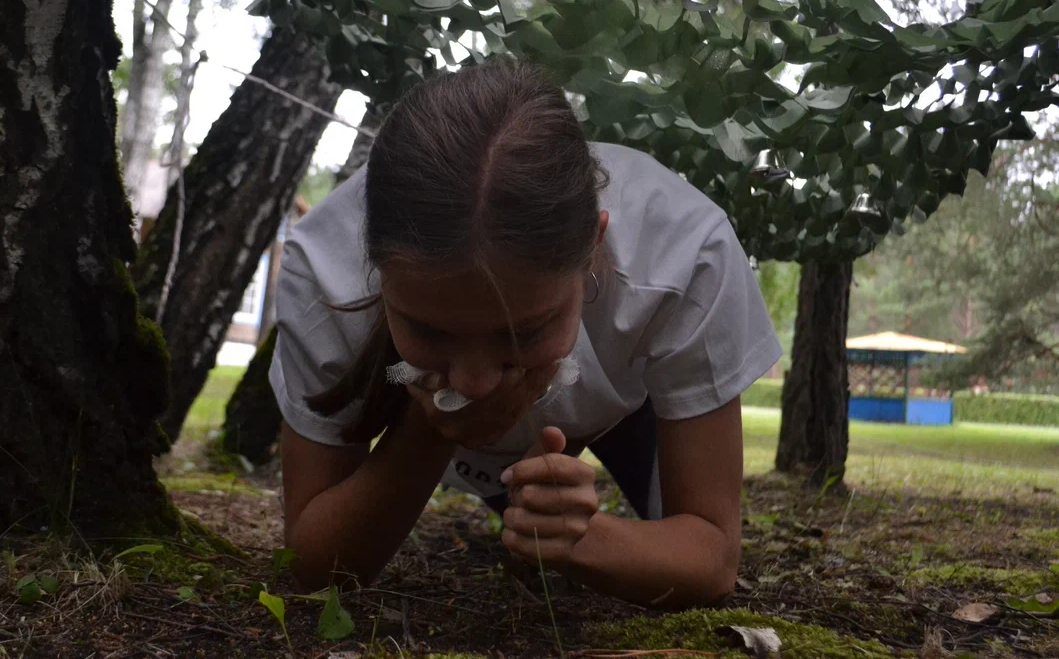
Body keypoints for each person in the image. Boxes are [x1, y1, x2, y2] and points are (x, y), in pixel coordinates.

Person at [269, 58, 781, 609]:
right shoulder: (324, 271)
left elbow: (712, 558)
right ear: (368, 260)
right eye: (428, 329)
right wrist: (430, 428)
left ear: (594, 246)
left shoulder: (685, 256)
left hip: (629, 401)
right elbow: (313, 565)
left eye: (524, 331)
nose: (475, 381)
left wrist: (581, 539)